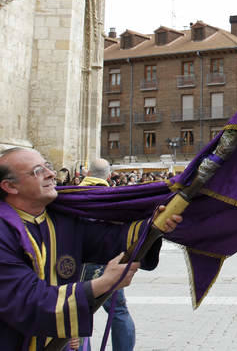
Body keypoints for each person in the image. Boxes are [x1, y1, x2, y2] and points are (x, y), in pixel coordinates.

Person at [0, 147, 181, 350]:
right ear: (10, 186)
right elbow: (25, 300)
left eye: (47, 166)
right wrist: (103, 283)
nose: (51, 174)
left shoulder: (61, 220)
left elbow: (111, 239)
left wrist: (154, 224)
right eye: (37, 171)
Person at [79, 158, 137, 351]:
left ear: (87, 174)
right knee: (118, 311)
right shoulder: (116, 198)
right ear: (110, 176)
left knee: (78, 311)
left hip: (78, 264)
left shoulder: (72, 195)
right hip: (109, 264)